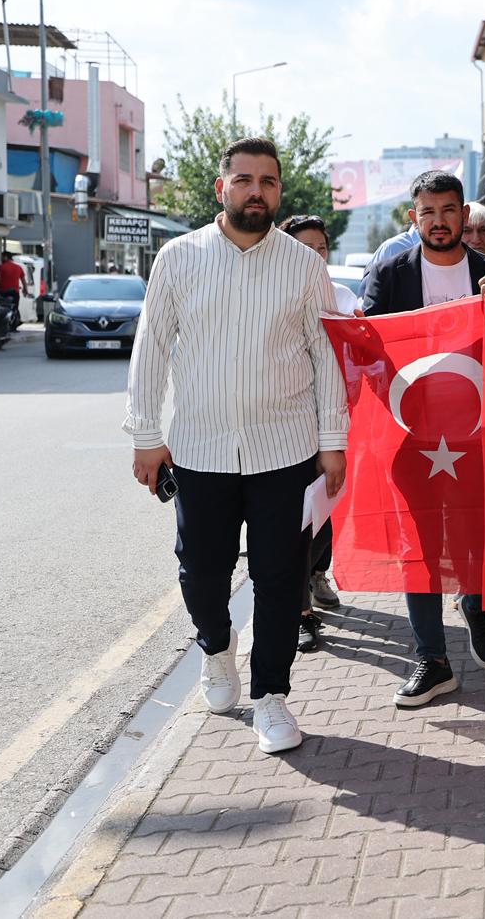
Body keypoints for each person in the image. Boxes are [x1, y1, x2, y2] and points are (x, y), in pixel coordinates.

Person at [126, 137, 348, 756]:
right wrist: (146, 436)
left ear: (279, 190)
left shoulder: (303, 266)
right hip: (201, 451)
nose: (257, 191)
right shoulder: (178, 258)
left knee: (281, 577)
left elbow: (325, 356)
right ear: (221, 188)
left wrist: (333, 441)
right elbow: (149, 351)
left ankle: (272, 697)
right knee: (202, 571)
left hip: (287, 451)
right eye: (245, 180)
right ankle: (215, 651)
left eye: (268, 182)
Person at [361, 170, 485, 709]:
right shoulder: (390, 273)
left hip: (479, 436)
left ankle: (476, 601)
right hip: (412, 435)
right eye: (428, 211)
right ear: (413, 217)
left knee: (475, 538)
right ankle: (433, 660)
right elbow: (369, 346)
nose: (439, 221)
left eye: (448, 210)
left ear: (464, 214)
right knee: (417, 547)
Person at [278, 215, 353, 654]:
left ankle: (314, 573)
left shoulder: (342, 297)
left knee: (324, 515)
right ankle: (301, 612)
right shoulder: (273, 296)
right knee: (293, 526)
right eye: (305, 247)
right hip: (285, 430)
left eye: (321, 248)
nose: (315, 256)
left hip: (332, 429)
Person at [0, 251, 30, 330]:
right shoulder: (18, 267)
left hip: (3, 292)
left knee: (1, 308)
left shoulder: (1, 267)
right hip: (15, 292)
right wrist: (25, 290)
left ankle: (1, 326)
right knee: (14, 308)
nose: (1, 259)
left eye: (2, 257)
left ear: (6, 257)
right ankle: (14, 327)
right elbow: (23, 280)